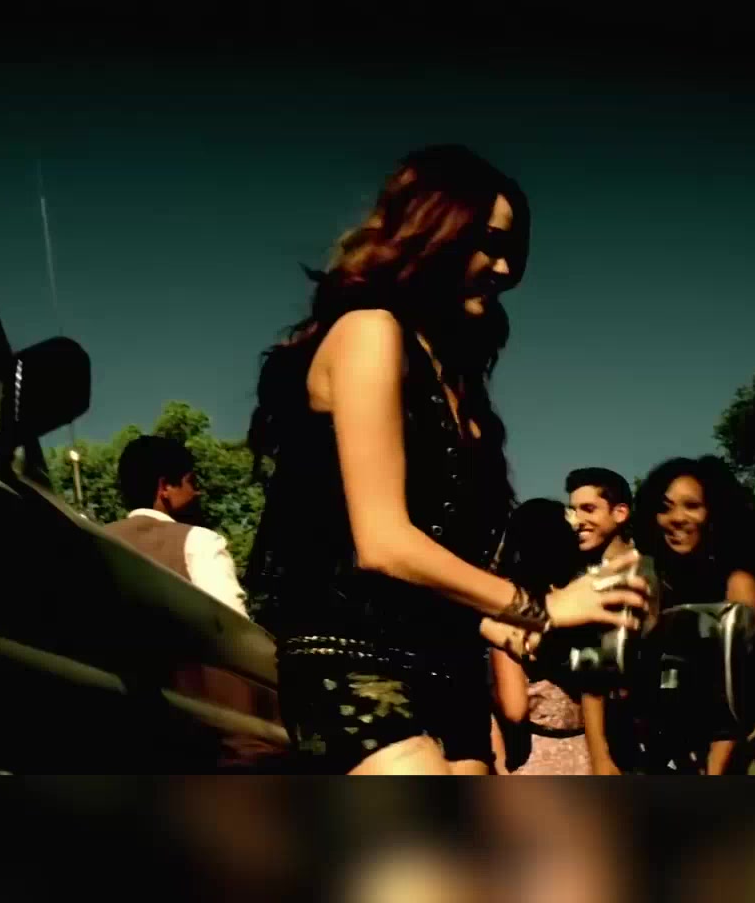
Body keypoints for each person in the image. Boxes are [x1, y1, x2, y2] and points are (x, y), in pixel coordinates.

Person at [244, 144, 647, 775]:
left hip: (448, 665)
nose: (506, 268)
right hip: (354, 659)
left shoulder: (459, 384)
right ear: (433, 231)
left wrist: (500, 629)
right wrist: (540, 606)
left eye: (514, 252)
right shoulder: (370, 332)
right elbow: (382, 544)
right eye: (489, 243)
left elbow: (436, 565)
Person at [594, 456, 755, 775]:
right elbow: (599, 681)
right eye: (665, 508)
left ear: (713, 513)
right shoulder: (640, 580)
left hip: (712, 763)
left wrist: (713, 775)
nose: (677, 519)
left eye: (692, 506)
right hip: (639, 760)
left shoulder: (736, 585)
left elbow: (740, 694)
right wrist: (601, 759)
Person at [487, 498, 602, 774]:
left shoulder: (510, 610)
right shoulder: (584, 600)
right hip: (592, 750)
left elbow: (515, 709)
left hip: (539, 755)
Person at [104, 435, 247, 616]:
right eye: (191, 482)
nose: (196, 492)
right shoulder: (200, 542)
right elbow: (234, 628)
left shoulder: (86, 544)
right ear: (165, 487)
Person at [560, 466, 642, 775]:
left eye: (589, 509)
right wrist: (600, 757)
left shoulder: (652, 571)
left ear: (620, 512)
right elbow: (591, 677)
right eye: (573, 510)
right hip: (613, 740)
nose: (577, 520)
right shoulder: (581, 583)